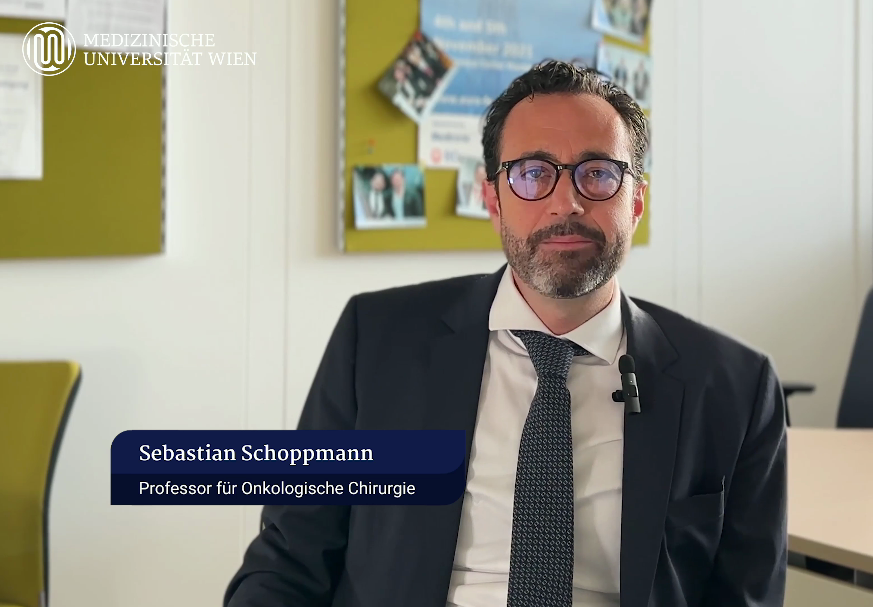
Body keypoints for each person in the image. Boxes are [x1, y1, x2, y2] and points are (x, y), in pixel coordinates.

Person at [224, 60, 786, 607]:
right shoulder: (375, 342)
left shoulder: (735, 387)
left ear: (635, 200)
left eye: (597, 173)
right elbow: (289, 559)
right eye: (533, 173)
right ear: (493, 199)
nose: (566, 203)